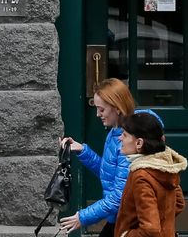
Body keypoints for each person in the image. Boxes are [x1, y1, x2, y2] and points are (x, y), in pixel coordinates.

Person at [59, 79, 163, 237]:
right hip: (120, 216)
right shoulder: (115, 133)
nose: (97, 114)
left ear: (117, 108)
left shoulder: (129, 142)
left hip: (131, 220)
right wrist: (83, 151)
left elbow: (119, 197)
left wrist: (83, 217)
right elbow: (110, 173)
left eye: (101, 109)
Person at [114, 112, 187, 237]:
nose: (120, 138)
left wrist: (125, 235)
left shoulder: (141, 176)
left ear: (139, 143)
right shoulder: (165, 168)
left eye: (125, 135)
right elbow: (179, 204)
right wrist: (164, 225)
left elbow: (150, 230)